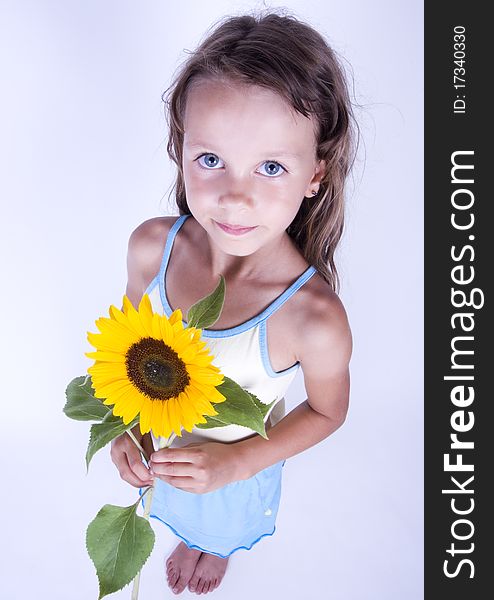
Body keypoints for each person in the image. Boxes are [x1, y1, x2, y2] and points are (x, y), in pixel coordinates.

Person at [110, 10, 355, 596]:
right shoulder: (151, 248)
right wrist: (128, 427)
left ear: (315, 173)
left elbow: (328, 412)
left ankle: (214, 547)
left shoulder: (312, 320)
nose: (235, 197)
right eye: (211, 159)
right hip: (165, 452)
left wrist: (238, 463)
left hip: (239, 470)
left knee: (219, 523)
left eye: (271, 167)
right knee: (175, 502)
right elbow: (128, 346)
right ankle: (187, 532)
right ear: (181, 147)